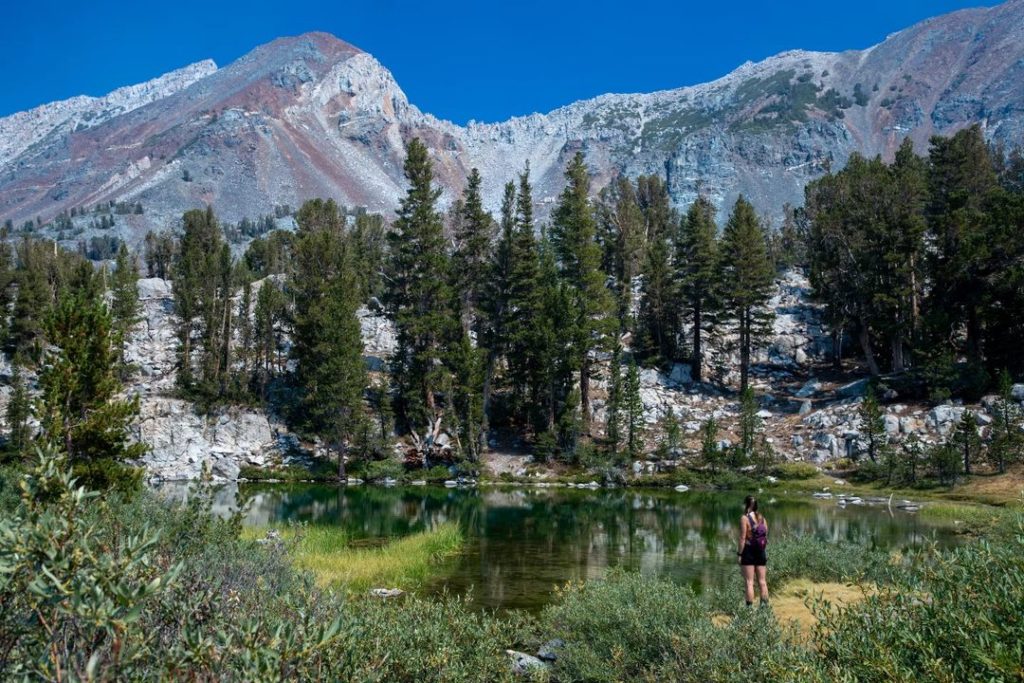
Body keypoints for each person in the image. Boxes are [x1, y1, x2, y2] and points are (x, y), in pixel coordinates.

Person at [737, 494, 768, 607]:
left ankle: (749, 610)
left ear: (746, 504)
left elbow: (742, 538)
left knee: (749, 582)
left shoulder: (744, 518)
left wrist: (740, 554)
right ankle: (764, 608)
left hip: (749, 551)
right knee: (762, 582)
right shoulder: (762, 518)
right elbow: (766, 535)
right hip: (761, 551)